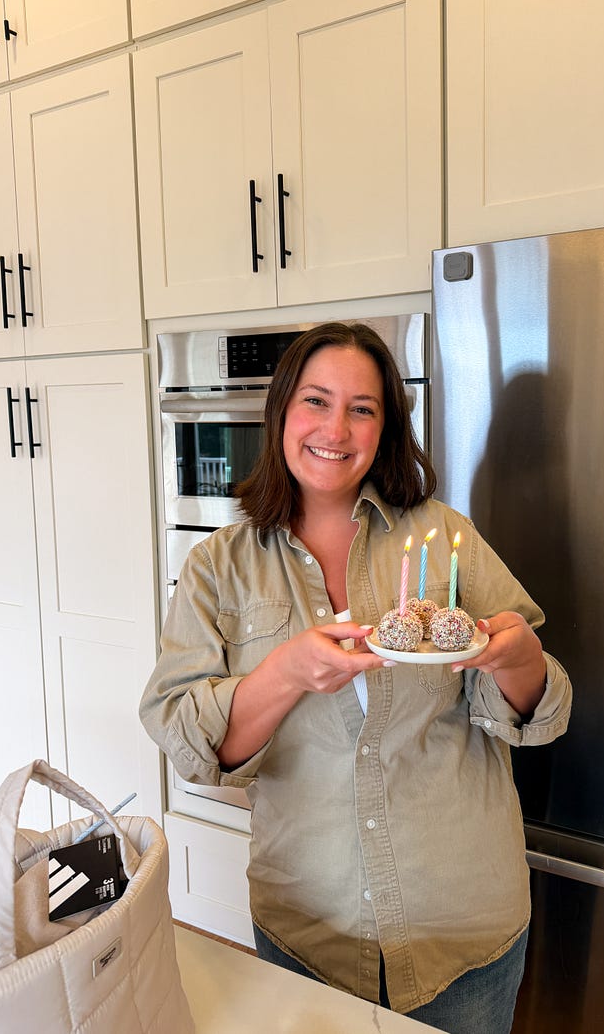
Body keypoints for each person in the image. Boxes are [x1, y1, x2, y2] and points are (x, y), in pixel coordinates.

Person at [140, 321, 571, 1034]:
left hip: (461, 926)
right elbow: (193, 747)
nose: (335, 430)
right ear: (281, 411)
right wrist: (287, 671)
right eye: (316, 400)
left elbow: (539, 711)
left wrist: (516, 657)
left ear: (386, 426)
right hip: (308, 928)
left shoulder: (444, 538)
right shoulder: (218, 568)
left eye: (362, 409)